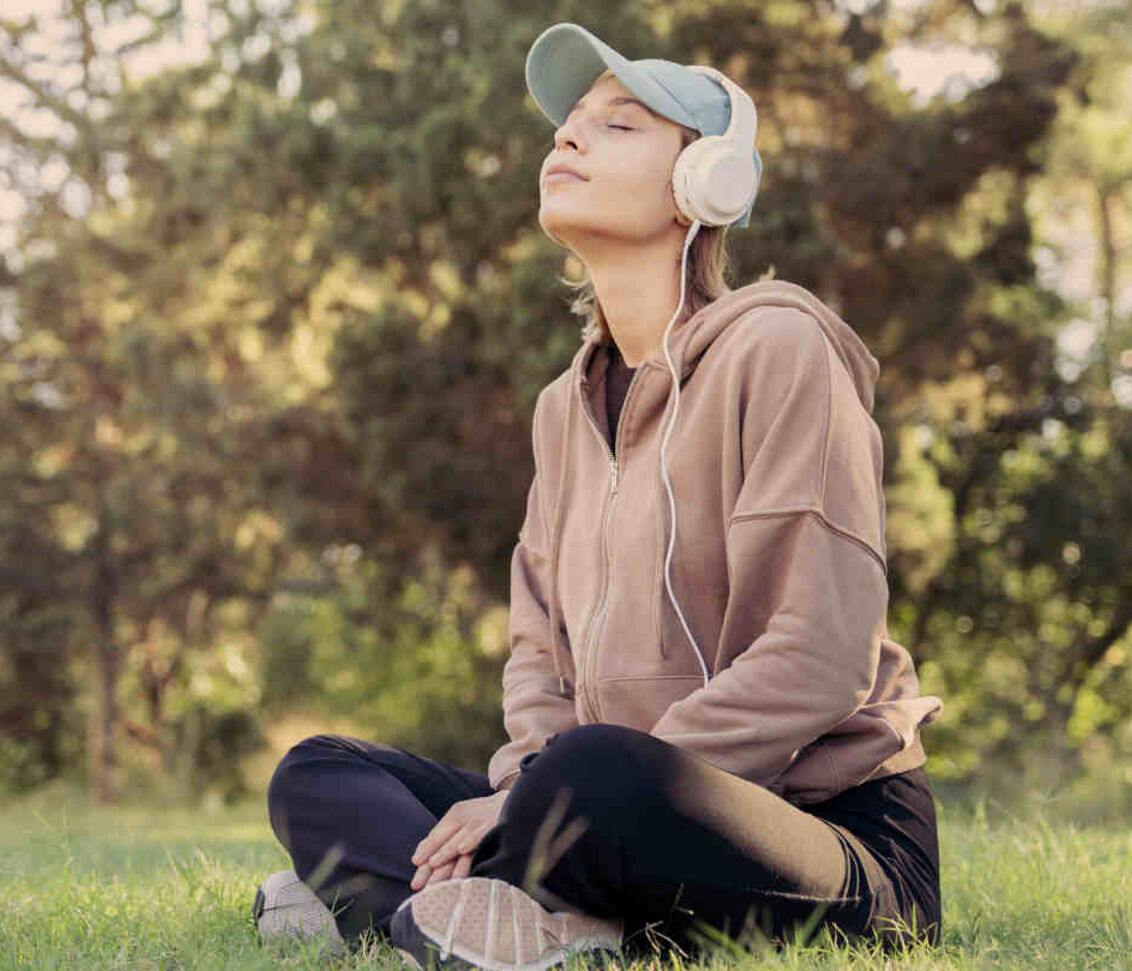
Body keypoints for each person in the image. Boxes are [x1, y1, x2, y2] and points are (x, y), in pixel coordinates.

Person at [255, 21, 945, 971]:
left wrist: (533, 798)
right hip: (596, 807)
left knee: (596, 770)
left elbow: (820, 656)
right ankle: (530, 919)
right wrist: (523, 787)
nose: (567, 139)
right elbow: (538, 658)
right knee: (318, 773)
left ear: (705, 183)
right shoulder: (561, 409)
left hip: (823, 834)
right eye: (569, 125)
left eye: (617, 126)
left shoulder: (780, 348)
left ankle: (399, 903)